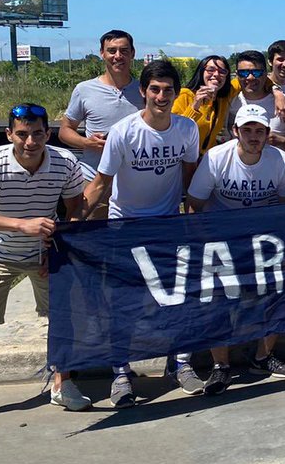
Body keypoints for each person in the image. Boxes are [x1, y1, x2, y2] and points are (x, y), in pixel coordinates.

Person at [0, 104, 89, 429]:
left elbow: (76, 207)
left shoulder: (64, 162)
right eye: (22, 134)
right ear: (9, 134)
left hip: (43, 250)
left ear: (48, 133)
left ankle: (62, 383)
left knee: (63, 317)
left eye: (38, 133)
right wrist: (21, 225)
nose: (30, 141)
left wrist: (58, 245)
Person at [83, 59, 200, 405]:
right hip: (126, 226)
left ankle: (181, 364)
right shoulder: (123, 132)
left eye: (167, 90)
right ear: (143, 92)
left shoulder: (187, 129)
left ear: (176, 94)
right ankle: (120, 374)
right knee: (123, 304)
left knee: (179, 298)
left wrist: (190, 220)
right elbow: (100, 183)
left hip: (166, 226)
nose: (161, 96)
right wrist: (74, 223)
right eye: (154, 89)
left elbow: (190, 178)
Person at [185, 103, 285, 393]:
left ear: (267, 134)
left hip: (262, 237)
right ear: (235, 132)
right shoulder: (215, 158)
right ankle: (221, 365)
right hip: (220, 238)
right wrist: (206, 245)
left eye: (259, 131)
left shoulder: (281, 160)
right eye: (246, 130)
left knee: (279, 290)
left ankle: (263, 356)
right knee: (215, 298)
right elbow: (194, 206)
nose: (253, 136)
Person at [59, 29, 144, 189]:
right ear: (102, 54)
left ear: (132, 54)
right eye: (111, 51)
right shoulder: (84, 89)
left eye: (124, 51)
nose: (118, 56)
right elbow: (65, 130)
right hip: (93, 179)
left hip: (135, 184)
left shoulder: (145, 90)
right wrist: (86, 143)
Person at [226, 49, 285, 155]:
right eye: (244, 72)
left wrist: (279, 141)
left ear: (265, 74)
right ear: (237, 75)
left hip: (279, 169)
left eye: (257, 72)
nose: (250, 77)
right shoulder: (230, 102)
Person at [173, 54, 233, 156]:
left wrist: (269, 85)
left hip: (206, 161)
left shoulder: (222, 98)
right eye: (210, 70)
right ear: (201, 72)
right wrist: (195, 106)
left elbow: (243, 82)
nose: (216, 74)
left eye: (222, 71)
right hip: (181, 159)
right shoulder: (185, 95)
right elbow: (174, 131)